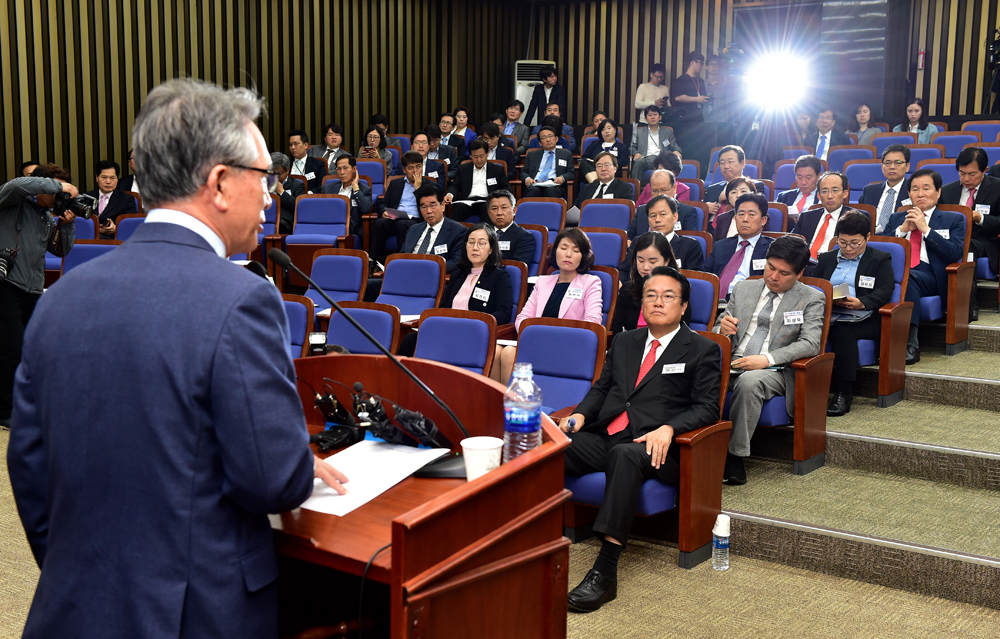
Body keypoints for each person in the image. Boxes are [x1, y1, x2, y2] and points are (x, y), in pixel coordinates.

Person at [7, 78, 347, 638]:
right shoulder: (241, 299)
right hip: (198, 617)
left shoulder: (62, 297)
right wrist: (296, 462)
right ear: (218, 183)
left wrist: (90, 576)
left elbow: (30, 471)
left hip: (72, 609)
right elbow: (274, 482)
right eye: (263, 179)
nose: (270, 197)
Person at [560, 266, 721, 612]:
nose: (658, 302)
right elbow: (602, 388)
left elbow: (709, 408)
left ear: (683, 306)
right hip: (607, 433)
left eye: (667, 296)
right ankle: (523, 539)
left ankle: (604, 572)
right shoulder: (624, 341)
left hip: (654, 447)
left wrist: (671, 428)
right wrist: (579, 416)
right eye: (651, 295)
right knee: (550, 446)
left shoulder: (701, 350)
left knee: (625, 456)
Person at [714, 235, 825, 485]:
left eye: (783, 273)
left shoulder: (811, 298)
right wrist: (721, 329)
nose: (773, 277)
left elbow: (810, 343)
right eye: (770, 268)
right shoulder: (743, 288)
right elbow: (716, 330)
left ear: (800, 273)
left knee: (750, 382)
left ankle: (734, 457)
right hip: (732, 360)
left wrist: (765, 359)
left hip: (775, 368)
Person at [0, 165, 79, 428]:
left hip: (33, 290)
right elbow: (18, 184)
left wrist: (66, 226)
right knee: (10, 350)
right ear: (40, 184)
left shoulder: (46, 216)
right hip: (7, 286)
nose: (58, 196)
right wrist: (61, 187)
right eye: (53, 188)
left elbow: (60, 250)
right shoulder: (13, 200)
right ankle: (4, 411)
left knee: (34, 349)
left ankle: (29, 404)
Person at [492, 228, 603, 383]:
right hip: (538, 342)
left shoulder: (591, 282)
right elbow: (523, 318)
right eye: (563, 248)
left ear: (583, 256)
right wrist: (537, 336)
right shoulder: (543, 282)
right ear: (555, 251)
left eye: (575, 250)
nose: (568, 254)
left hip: (568, 346)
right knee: (497, 352)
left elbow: (593, 322)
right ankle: (504, 404)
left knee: (509, 353)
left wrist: (557, 337)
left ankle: (514, 404)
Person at [878, 169, 966, 364]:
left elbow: (954, 253)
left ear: (938, 192)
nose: (920, 194)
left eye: (926, 188)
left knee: (908, 280)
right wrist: (901, 231)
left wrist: (925, 229)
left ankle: (910, 343)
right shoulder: (896, 218)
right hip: (896, 272)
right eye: (915, 189)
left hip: (932, 275)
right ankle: (878, 341)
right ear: (909, 194)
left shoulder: (954, 219)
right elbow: (879, 251)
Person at [813, 212, 895, 416]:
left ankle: (844, 392)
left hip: (863, 316)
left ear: (867, 237)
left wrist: (863, 302)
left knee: (842, 332)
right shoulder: (827, 258)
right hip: (828, 313)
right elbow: (814, 287)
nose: (848, 249)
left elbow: (885, 290)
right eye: (843, 242)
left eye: (854, 243)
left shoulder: (879, 259)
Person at [397, 223, 514, 356]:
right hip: (448, 329)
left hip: (473, 333)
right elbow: (443, 308)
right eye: (471, 242)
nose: (475, 248)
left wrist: (478, 322)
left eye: (481, 243)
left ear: (491, 249)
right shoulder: (458, 274)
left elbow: (505, 313)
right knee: (410, 340)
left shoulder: (499, 276)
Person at [940, 146, 1000, 321]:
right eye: (962, 173)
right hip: (952, 238)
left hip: (983, 241)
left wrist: (980, 218)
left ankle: (968, 303)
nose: (966, 179)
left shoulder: (997, 188)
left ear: (985, 171)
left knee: (968, 248)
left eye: (972, 174)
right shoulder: (947, 191)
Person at [705, 193, 774, 299]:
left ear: (763, 220)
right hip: (716, 300)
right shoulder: (720, 245)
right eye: (741, 214)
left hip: (751, 301)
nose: (745, 219)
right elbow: (705, 275)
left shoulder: (773, 248)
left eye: (751, 214)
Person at [618, 195, 703, 279]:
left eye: (662, 214)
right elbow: (624, 271)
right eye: (653, 216)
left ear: (675, 217)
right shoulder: (638, 241)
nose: (657, 220)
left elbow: (693, 280)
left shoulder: (690, 246)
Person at [791, 171, 867, 262]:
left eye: (835, 190)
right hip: (803, 263)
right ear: (819, 196)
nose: (830, 196)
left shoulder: (856, 218)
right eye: (824, 191)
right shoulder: (806, 217)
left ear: (845, 193)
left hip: (834, 263)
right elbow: (792, 244)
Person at [611, 233, 678, 332]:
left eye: (652, 262)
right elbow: (617, 332)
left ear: (666, 261)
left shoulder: (678, 290)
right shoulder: (627, 290)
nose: (646, 267)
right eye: (641, 260)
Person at [371, 151, 425, 264]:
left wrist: (418, 189)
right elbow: (383, 203)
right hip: (395, 218)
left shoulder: (430, 185)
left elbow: (427, 207)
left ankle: (404, 262)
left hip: (416, 221)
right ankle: (375, 262)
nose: (415, 171)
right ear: (404, 170)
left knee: (402, 225)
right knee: (379, 223)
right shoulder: (396, 183)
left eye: (418, 167)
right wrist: (384, 213)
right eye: (411, 168)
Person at [400, 183, 467, 273]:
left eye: (433, 205)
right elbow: (402, 256)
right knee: (374, 285)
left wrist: (426, 270)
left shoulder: (459, 231)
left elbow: (456, 262)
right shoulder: (413, 229)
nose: (428, 211)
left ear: (442, 206)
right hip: (407, 274)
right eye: (424, 207)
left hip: (431, 277)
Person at [444, 139, 510, 222]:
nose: (479, 160)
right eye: (475, 157)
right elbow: (455, 185)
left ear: (487, 153)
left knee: (487, 209)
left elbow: (507, 187)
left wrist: (498, 197)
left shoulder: (497, 170)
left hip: (487, 201)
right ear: (470, 156)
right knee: (458, 209)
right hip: (466, 202)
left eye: (481, 156)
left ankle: (488, 234)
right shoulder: (463, 169)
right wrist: (450, 195)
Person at [628, 169, 700, 239]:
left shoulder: (687, 212)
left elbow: (689, 243)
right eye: (655, 191)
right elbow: (629, 236)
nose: (659, 195)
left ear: (674, 188)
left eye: (664, 190)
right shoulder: (641, 210)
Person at [858, 144, 912, 233]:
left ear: (907, 167)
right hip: (869, 238)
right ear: (882, 167)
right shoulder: (869, 191)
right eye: (887, 163)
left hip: (899, 240)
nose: (892, 167)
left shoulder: (913, 192)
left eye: (898, 162)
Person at [704, 145, 765, 223]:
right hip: (710, 231)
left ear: (742, 163)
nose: (726, 166)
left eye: (730, 162)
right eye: (722, 163)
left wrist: (728, 196)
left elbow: (758, 210)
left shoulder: (756, 186)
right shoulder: (712, 189)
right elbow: (700, 212)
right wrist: (705, 208)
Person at [320, 154, 372, 237]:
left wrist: (356, 189)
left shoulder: (363, 189)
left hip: (351, 229)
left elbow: (366, 209)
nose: (342, 172)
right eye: (339, 169)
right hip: (330, 226)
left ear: (354, 169)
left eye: (345, 168)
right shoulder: (328, 188)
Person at [84, 160, 137, 239]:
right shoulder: (86, 197)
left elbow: (131, 225)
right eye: (104, 177)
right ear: (97, 178)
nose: (108, 182)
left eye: (112, 178)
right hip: (87, 238)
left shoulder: (127, 199)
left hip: (112, 240)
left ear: (117, 179)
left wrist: (115, 228)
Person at [629, 106, 682, 182]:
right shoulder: (639, 132)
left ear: (660, 117)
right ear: (646, 119)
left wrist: (677, 151)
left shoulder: (667, 132)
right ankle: (636, 189)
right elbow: (631, 147)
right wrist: (636, 153)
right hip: (645, 159)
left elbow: (675, 147)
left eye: (655, 114)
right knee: (639, 162)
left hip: (662, 159)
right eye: (650, 115)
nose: (652, 117)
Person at [520, 127, 575, 199]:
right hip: (535, 184)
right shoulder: (532, 155)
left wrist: (562, 178)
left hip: (554, 185)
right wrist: (527, 179)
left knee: (551, 190)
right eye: (544, 137)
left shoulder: (566, 154)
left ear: (556, 139)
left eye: (550, 136)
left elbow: (571, 172)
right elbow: (523, 172)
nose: (548, 140)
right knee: (533, 190)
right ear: (540, 143)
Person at [711, 177, 758, 242]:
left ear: (753, 194)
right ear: (728, 198)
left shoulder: (761, 217)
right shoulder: (721, 218)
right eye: (733, 192)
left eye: (743, 191)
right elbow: (717, 246)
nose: (738, 195)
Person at [268, 152, 306, 234]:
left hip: (285, 223)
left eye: (280, 173)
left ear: (288, 170)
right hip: (266, 220)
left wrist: (282, 192)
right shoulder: (263, 184)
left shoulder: (297, 185)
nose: (276, 177)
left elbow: (299, 206)